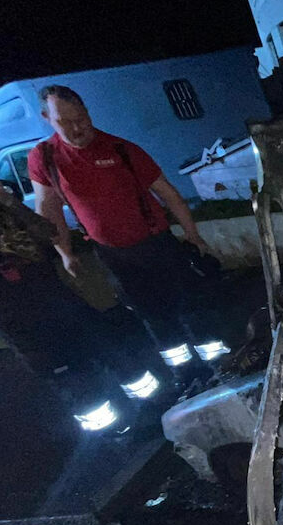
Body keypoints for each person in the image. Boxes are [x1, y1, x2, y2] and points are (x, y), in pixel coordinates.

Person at [26, 85, 230, 384]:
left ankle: (221, 363)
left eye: (81, 118)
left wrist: (192, 235)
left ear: (88, 112)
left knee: (190, 305)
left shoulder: (120, 149)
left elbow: (168, 194)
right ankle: (186, 374)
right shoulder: (44, 157)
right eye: (65, 122)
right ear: (47, 118)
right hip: (112, 254)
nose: (77, 128)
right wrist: (65, 253)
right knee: (152, 316)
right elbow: (48, 209)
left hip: (156, 243)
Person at [0, 179, 152, 433]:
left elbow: (49, 233)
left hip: (65, 307)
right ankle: (114, 432)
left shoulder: (9, 215)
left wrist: (9, 201)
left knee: (116, 356)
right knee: (78, 386)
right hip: (26, 330)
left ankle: (154, 406)